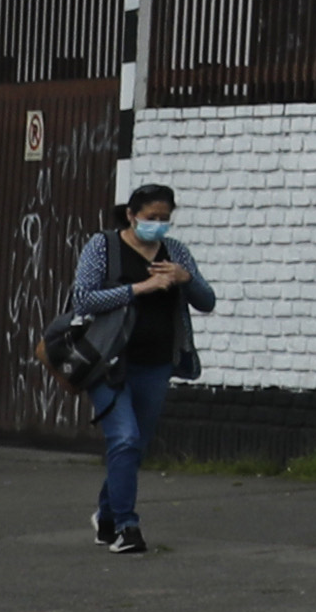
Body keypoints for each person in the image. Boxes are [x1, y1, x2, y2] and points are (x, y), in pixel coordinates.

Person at [70, 181, 215, 554]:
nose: (159, 225)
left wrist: (187, 280)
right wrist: (141, 288)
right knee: (125, 438)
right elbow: (82, 298)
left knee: (137, 446)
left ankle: (106, 513)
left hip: (156, 363)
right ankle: (126, 527)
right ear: (132, 216)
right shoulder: (103, 247)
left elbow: (207, 301)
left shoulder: (175, 251)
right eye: (151, 218)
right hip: (108, 361)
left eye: (165, 219)